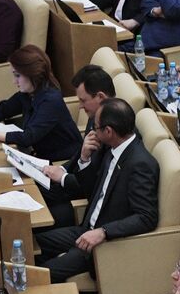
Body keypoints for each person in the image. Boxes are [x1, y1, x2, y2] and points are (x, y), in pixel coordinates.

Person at [35, 98, 159, 281]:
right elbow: (90, 189)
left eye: (96, 126)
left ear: (108, 131)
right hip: (83, 230)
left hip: (100, 246)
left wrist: (103, 232)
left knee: (41, 273)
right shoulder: (111, 147)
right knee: (31, 242)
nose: (93, 130)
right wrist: (84, 158)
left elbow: (146, 217)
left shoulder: (140, 164)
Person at [0, 46, 83, 162]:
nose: (14, 81)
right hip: (42, 156)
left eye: (17, 75)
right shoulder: (29, 93)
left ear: (32, 74)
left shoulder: (51, 100)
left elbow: (28, 138)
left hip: (64, 161)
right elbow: (3, 109)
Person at [38, 65, 115, 226]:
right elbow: (81, 152)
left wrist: (64, 178)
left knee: (38, 217)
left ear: (100, 97)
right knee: (34, 190)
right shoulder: (95, 115)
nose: (80, 106)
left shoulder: (113, 131)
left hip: (83, 197)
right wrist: (63, 169)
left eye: (83, 100)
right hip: (74, 179)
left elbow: (97, 181)